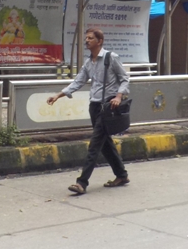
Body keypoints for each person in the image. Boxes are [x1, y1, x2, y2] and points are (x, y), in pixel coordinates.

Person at [47, 28, 130, 194]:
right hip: (95, 106)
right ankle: (121, 175)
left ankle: (82, 183)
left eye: (90, 38)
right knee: (105, 143)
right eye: (86, 38)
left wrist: (119, 96)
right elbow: (78, 81)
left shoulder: (111, 57)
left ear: (99, 41)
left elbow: (125, 78)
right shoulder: (88, 62)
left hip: (108, 106)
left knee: (95, 144)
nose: (87, 41)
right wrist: (59, 95)